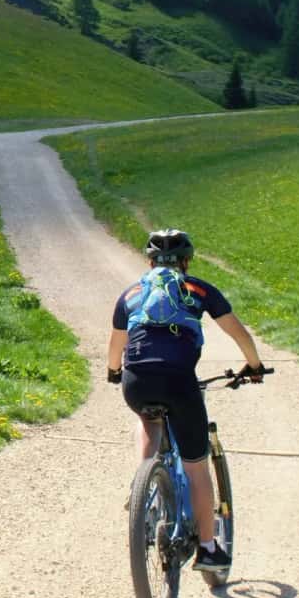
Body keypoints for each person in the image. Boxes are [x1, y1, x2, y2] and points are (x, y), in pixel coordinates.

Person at [105, 228, 264, 573]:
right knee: (195, 467)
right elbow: (239, 333)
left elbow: (115, 347)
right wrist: (254, 366)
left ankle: (142, 484)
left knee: (148, 418)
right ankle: (207, 548)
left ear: (149, 262)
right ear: (187, 261)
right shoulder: (199, 289)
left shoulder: (131, 293)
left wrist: (115, 373)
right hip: (179, 381)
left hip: (136, 382)